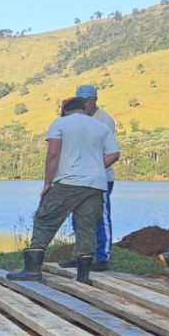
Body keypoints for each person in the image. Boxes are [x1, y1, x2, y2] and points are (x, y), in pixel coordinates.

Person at [7, 95, 120, 284]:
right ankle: (83, 275)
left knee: (45, 219)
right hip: (95, 184)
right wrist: (95, 168)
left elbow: (53, 153)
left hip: (68, 181)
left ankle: (32, 269)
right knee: (87, 227)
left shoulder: (60, 123)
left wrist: (47, 183)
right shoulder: (101, 126)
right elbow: (114, 153)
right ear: (83, 109)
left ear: (66, 110)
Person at [60, 84, 119, 271]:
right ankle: (81, 256)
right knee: (78, 218)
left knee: (100, 217)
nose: (83, 104)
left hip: (100, 178)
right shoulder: (78, 119)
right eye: (80, 100)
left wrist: (93, 168)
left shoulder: (104, 120)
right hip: (79, 177)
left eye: (86, 100)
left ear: (94, 100)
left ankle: (102, 258)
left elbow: (109, 152)